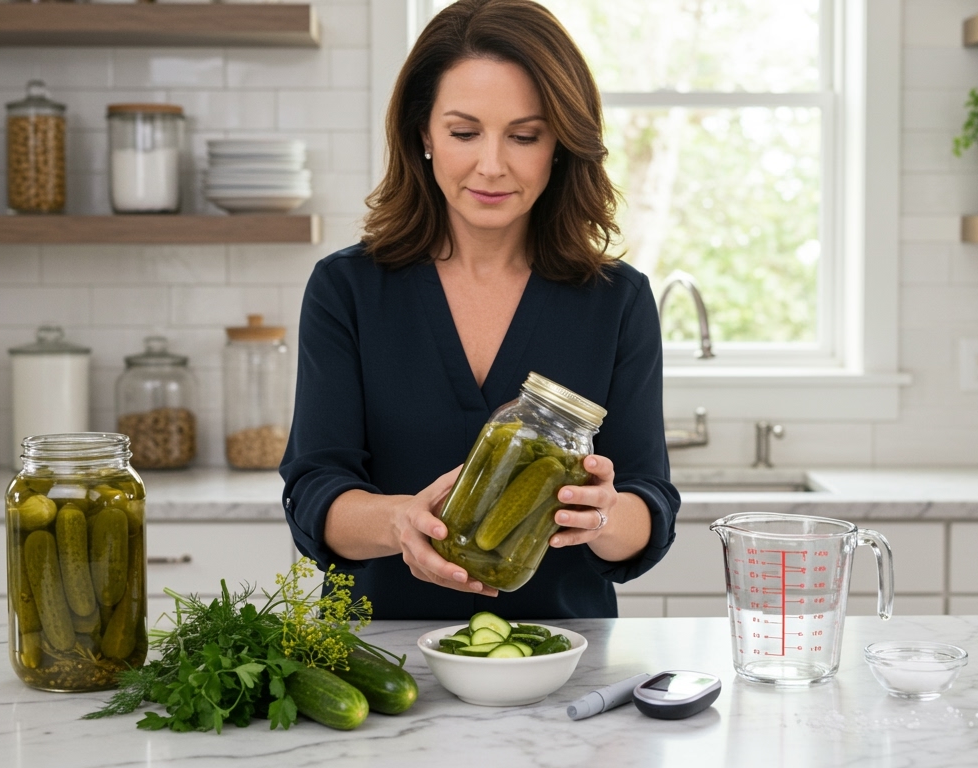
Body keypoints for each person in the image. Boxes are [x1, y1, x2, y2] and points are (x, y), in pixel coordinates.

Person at [279, 0, 679, 620]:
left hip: (562, 666)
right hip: (381, 667)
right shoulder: (347, 289)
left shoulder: (616, 300)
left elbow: (648, 510)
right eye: (465, 132)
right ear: (423, 135)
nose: (492, 165)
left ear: (560, 146)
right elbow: (314, 492)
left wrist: (601, 513)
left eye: (524, 135)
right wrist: (398, 522)